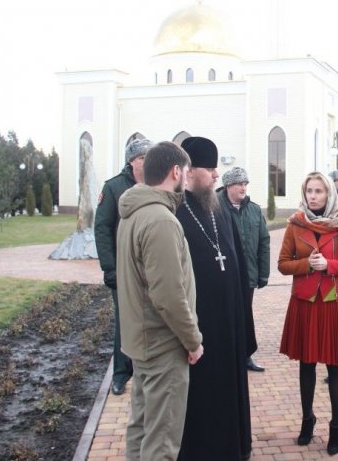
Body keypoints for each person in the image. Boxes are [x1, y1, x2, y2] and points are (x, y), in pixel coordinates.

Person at [116, 141, 204, 460]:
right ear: (176, 172)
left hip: (142, 341)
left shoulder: (133, 214)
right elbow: (168, 295)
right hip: (162, 345)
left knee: (141, 428)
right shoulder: (161, 220)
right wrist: (192, 340)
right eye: (186, 171)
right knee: (162, 440)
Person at [175, 136, 256, 461]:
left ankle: (234, 447)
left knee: (229, 388)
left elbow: (234, 259)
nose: (216, 175)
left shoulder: (218, 207)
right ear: (188, 171)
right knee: (202, 394)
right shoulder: (175, 211)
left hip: (229, 320)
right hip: (200, 323)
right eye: (209, 169)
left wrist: (243, 319)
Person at [278, 171, 338, 456]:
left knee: (336, 368)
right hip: (304, 303)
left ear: (329, 194)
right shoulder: (295, 224)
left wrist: (328, 264)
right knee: (306, 365)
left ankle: (335, 426)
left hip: (332, 303)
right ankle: (307, 419)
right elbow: (282, 264)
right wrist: (306, 264)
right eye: (309, 191)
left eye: (318, 191)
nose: (313, 196)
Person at [94, 137, 152, 395]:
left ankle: (146, 367)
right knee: (125, 320)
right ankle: (121, 373)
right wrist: (110, 268)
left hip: (150, 266)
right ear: (132, 161)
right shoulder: (114, 187)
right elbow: (102, 228)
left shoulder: (155, 184)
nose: (147, 161)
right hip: (123, 268)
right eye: (142, 158)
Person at [217, 166, 270, 373]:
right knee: (224, 317)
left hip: (248, 276)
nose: (243, 187)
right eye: (239, 183)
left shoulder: (254, 210)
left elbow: (264, 243)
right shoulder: (214, 208)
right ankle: (226, 357)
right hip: (224, 276)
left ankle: (246, 356)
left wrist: (263, 273)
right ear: (228, 185)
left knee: (245, 316)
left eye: (246, 183)